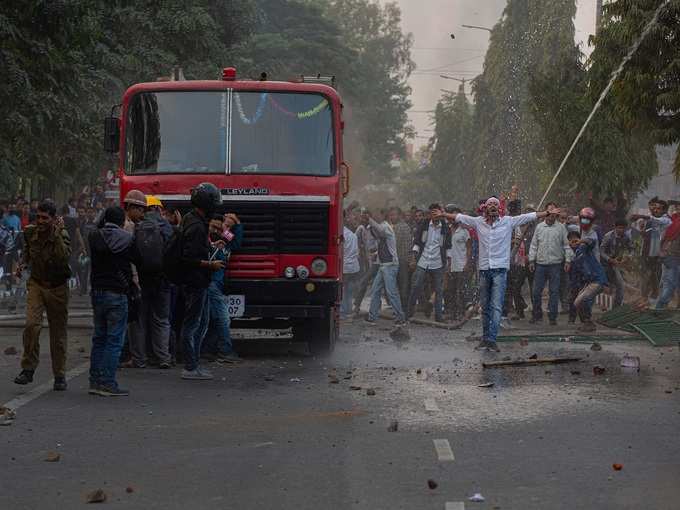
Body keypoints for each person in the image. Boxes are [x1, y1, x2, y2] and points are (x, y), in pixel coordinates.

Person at [443, 198, 560, 351]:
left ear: (499, 209)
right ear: (485, 209)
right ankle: (485, 338)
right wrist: (443, 214)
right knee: (485, 307)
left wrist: (546, 212)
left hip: (499, 271)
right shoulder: (478, 222)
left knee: (496, 306)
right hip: (484, 270)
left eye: (496, 205)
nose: (493, 206)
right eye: (490, 204)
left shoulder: (508, 221)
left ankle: (492, 339)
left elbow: (530, 216)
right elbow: (459, 217)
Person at [13, 201, 71, 390]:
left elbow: (63, 258)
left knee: (58, 333)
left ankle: (59, 374)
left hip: (57, 288)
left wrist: (56, 234)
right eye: (38, 217)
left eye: (45, 218)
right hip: (37, 284)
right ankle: (28, 368)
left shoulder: (62, 234)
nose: (40, 221)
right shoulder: (30, 232)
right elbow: (28, 253)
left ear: (53, 219)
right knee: (31, 325)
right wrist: (22, 265)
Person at [88, 206, 137, 396]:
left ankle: (95, 381)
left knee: (99, 337)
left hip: (97, 292)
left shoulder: (94, 236)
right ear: (122, 221)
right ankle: (108, 382)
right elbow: (138, 259)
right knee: (114, 339)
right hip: (117, 292)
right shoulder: (127, 239)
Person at [178, 183, 225, 380]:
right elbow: (188, 258)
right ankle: (190, 367)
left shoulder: (191, 219)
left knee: (202, 321)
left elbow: (194, 248)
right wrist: (210, 264)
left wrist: (211, 245)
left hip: (198, 281)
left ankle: (194, 364)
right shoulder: (197, 225)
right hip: (196, 281)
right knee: (193, 325)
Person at [129, 195, 175, 369]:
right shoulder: (167, 227)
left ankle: (139, 359)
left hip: (141, 281)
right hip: (162, 281)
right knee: (161, 320)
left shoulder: (136, 227)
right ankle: (163, 357)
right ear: (158, 209)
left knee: (139, 321)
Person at [201, 212, 244, 362]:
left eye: (219, 229)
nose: (215, 231)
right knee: (224, 319)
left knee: (215, 319)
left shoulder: (226, 241)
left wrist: (236, 223)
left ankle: (206, 349)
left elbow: (237, 241)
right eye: (212, 227)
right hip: (211, 284)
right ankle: (225, 351)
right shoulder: (205, 241)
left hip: (216, 285)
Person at [528, 203, 572, 325]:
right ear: (545, 213)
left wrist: (568, 260)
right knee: (536, 291)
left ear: (556, 215)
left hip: (555, 264)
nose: (551, 217)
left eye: (554, 215)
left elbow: (566, 245)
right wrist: (531, 260)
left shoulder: (561, 228)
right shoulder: (539, 227)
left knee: (554, 291)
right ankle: (537, 315)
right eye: (549, 214)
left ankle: (552, 317)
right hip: (540, 264)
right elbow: (533, 245)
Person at [408, 203, 451, 322]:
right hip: (423, 259)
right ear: (430, 214)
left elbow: (448, 246)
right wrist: (413, 258)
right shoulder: (424, 224)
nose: (435, 215)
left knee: (438, 289)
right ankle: (409, 311)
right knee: (416, 285)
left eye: (437, 212)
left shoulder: (445, 228)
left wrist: (448, 262)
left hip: (438, 262)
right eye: (433, 213)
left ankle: (438, 316)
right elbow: (417, 242)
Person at [363, 209, 407, 325]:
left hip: (390, 266)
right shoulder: (382, 228)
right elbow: (376, 234)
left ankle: (400, 318)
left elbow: (379, 230)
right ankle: (372, 317)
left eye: (378, 214)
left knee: (391, 293)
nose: (376, 216)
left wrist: (370, 220)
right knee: (375, 290)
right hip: (384, 265)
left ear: (384, 216)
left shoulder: (386, 227)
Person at [630, 198, 671, 302]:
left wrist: (641, 216)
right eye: (654, 208)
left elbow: (657, 221)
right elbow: (641, 229)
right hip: (647, 251)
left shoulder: (666, 220)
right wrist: (642, 229)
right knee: (649, 274)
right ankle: (652, 295)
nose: (655, 210)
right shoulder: (651, 219)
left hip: (660, 253)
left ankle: (647, 297)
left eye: (658, 208)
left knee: (653, 275)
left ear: (664, 210)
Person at [568, 231, 607, 332]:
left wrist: (581, 241)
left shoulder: (584, 248)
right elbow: (575, 277)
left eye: (575, 240)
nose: (573, 242)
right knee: (576, 302)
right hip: (589, 283)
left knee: (583, 300)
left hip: (597, 280)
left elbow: (592, 242)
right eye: (571, 241)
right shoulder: (575, 258)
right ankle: (587, 322)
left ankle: (589, 323)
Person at [444, 205, 471, 321]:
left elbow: (469, 248)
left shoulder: (464, 231)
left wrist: (467, 264)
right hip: (451, 265)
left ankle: (460, 313)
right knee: (451, 290)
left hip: (461, 265)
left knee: (461, 291)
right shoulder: (447, 230)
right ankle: (452, 313)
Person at [600, 218, 633, 308]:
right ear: (615, 227)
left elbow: (631, 249)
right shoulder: (608, 236)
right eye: (619, 228)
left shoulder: (626, 236)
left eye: (623, 228)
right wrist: (609, 259)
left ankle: (616, 308)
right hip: (604, 264)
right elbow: (601, 251)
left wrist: (628, 257)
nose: (621, 230)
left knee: (620, 285)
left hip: (615, 264)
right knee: (601, 286)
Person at [353, 208, 379, 315]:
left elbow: (381, 243)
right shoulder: (360, 229)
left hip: (378, 261)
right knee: (364, 283)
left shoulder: (374, 228)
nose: (363, 219)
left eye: (365, 217)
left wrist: (376, 252)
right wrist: (360, 249)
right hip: (367, 262)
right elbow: (354, 240)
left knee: (378, 285)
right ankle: (357, 306)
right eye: (362, 217)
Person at [388, 207, 413, 309]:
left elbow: (395, 246)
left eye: (394, 215)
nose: (392, 217)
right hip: (402, 260)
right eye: (391, 215)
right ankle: (403, 309)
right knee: (402, 285)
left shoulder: (399, 227)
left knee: (402, 286)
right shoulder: (403, 226)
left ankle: (403, 310)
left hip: (401, 260)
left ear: (399, 215)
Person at [655, 209, 680, 310]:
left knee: (671, 282)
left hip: (670, 256)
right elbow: (665, 238)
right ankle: (659, 307)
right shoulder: (675, 222)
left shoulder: (675, 220)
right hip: (671, 256)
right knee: (671, 284)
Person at [341, 213, 360, 319]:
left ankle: (343, 311)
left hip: (345, 267)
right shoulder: (353, 235)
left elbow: (342, 252)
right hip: (354, 267)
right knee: (349, 289)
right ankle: (348, 309)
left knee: (343, 289)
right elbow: (357, 252)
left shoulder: (342, 235)